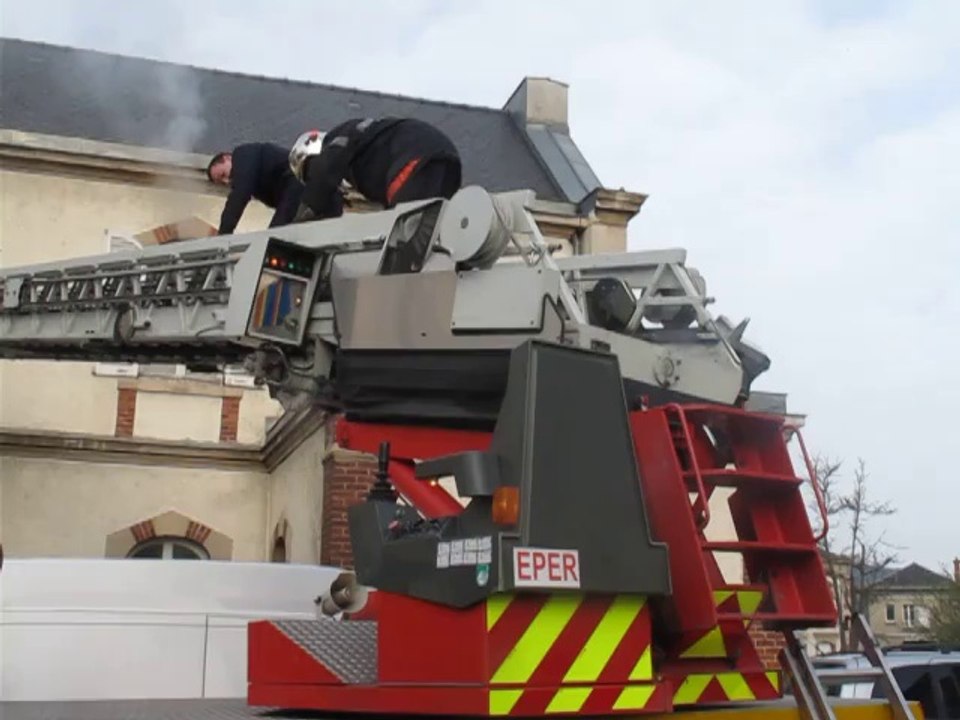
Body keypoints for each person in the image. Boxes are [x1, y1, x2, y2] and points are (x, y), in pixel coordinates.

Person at [288, 117, 462, 222]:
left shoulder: (338, 140)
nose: (313, 176)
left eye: (309, 170)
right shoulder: (364, 143)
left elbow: (324, 173)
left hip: (412, 158)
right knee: (429, 229)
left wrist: (301, 221)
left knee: (400, 236)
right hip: (446, 165)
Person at [206, 143, 304, 235]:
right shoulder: (254, 175)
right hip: (300, 189)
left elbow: (239, 196)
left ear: (227, 158)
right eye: (222, 182)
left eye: (223, 175)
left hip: (295, 182)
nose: (226, 181)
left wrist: (223, 234)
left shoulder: (242, 155)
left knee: (274, 237)